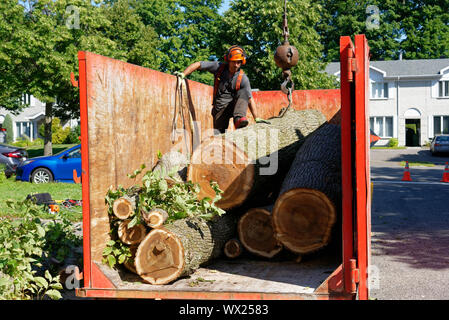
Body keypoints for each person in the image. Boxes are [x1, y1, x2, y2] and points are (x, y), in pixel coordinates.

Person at [175, 45, 268, 134]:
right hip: (220, 108)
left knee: (245, 92)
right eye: (234, 61)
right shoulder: (218, 67)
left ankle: (239, 119)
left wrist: (257, 118)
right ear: (228, 60)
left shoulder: (243, 78)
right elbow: (199, 64)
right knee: (219, 134)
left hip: (235, 107)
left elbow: (250, 98)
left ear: (242, 62)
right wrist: (183, 74)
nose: (236, 65)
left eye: (239, 62)